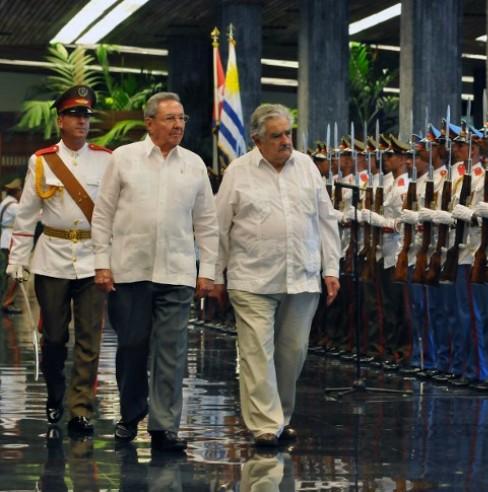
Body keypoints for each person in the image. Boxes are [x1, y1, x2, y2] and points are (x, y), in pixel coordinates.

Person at [92, 91, 218, 452]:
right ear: (149, 123)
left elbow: (207, 222)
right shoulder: (123, 159)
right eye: (170, 119)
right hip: (129, 272)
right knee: (131, 346)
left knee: (172, 351)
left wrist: (206, 269)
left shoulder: (193, 164)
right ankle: (130, 415)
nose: (178, 125)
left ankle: (164, 427)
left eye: (182, 119)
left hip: (176, 274)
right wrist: (102, 264)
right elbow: (102, 215)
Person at [213, 103, 340, 448]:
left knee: (293, 351)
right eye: (277, 135)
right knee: (256, 352)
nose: (286, 141)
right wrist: (213, 275)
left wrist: (331, 269)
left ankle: (280, 418)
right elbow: (219, 228)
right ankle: (264, 425)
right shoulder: (238, 172)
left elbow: (325, 220)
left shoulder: (307, 168)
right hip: (252, 279)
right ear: (257, 139)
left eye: (288, 133)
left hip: (302, 276)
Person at [6, 85, 111, 435]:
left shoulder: (106, 159)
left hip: (94, 256)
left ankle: (80, 408)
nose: (82, 121)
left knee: (89, 338)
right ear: (60, 119)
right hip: (51, 258)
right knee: (53, 336)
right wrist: (17, 261)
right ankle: (54, 394)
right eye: (75, 115)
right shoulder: (42, 160)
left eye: (86, 115)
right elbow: (26, 215)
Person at [0, 178, 22, 314]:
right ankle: (8, 302)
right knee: (18, 272)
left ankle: (5, 300)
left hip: (4, 239)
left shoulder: (3, 203)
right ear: (17, 192)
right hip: (11, 241)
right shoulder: (14, 206)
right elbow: (29, 216)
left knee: (5, 273)